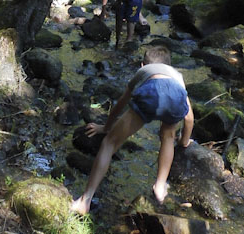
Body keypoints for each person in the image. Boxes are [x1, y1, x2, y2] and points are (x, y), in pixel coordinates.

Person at [70, 45, 194, 215]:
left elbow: (121, 103)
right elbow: (189, 118)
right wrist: (184, 141)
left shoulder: (144, 72)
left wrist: (106, 128)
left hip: (151, 94)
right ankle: (159, 186)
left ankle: (85, 201)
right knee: (168, 137)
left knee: (109, 143)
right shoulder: (177, 77)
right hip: (176, 98)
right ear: (169, 66)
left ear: (143, 65)